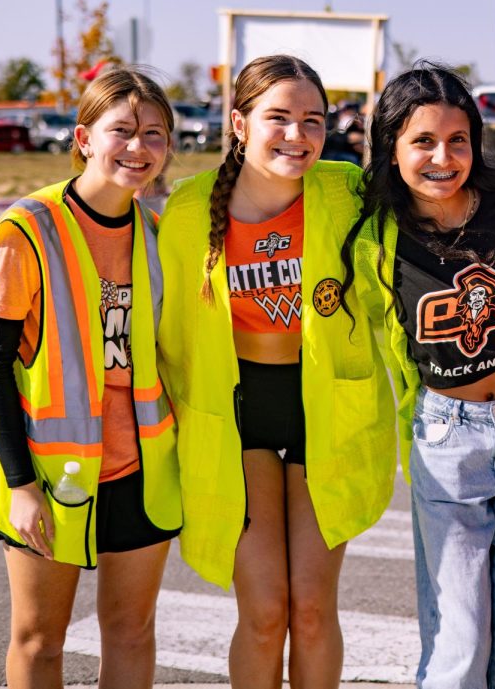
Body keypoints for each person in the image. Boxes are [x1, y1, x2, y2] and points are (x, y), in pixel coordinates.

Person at [156, 55, 396, 689]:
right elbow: (167, 330)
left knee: (313, 611)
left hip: (327, 411)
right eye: (278, 118)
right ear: (239, 123)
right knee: (264, 613)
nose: (297, 135)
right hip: (237, 418)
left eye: (312, 120)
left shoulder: (346, 192)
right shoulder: (186, 211)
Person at [341, 63, 495, 689]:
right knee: (459, 638)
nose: (443, 157)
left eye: (458, 139)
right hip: (448, 440)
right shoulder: (376, 233)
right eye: (422, 141)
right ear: (391, 147)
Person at [0, 66, 182, 687]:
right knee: (39, 642)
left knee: (132, 632)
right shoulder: (26, 229)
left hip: (143, 469)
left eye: (154, 134)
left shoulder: (154, 232)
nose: (139, 148)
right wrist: (19, 483)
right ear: (85, 137)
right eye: (123, 131)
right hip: (47, 471)